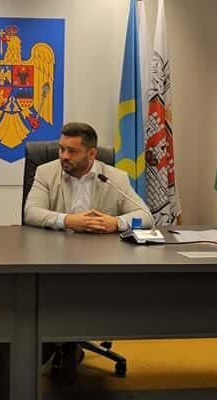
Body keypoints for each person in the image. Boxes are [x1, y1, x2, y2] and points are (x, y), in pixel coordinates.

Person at [24, 121, 151, 380]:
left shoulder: (114, 177)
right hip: (53, 259)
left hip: (97, 262)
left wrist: (116, 222)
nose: (63, 156)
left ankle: (66, 341)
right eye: (61, 149)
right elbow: (31, 212)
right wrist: (69, 221)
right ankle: (58, 341)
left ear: (91, 153)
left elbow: (145, 216)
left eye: (72, 151)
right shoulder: (46, 172)